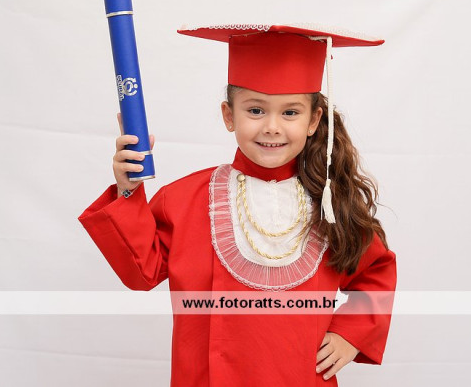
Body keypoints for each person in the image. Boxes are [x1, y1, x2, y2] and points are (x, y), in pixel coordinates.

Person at [79, 24, 397, 387]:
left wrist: (350, 333)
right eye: (256, 110)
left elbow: (376, 269)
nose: (272, 127)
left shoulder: (331, 204)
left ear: (314, 120)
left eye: (290, 113)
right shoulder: (185, 199)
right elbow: (141, 273)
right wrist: (128, 191)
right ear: (229, 116)